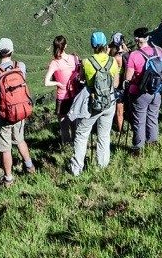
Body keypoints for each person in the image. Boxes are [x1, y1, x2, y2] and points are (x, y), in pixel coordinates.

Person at [70, 31, 120, 175]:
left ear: (92, 45)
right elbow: (115, 84)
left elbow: (81, 79)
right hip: (109, 102)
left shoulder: (87, 62)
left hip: (92, 102)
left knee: (81, 134)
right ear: (105, 44)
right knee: (104, 135)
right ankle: (102, 167)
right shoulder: (113, 61)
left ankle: (77, 169)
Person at [0, 38, 35, 184]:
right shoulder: (21, 66)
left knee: (5, 147)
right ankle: (29, 166)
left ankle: (8, 179)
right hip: (20, 110)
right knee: (20, 139)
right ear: (12, 51)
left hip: (3, 114)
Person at [123, 26, 162, 151]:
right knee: (153, 118)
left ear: (136, 40)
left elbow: (128, 77)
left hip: (139, 93)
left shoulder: (134, 55)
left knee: (139, 121)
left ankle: (138, 147)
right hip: (156, 91)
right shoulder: (158, 51)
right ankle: (152, 144)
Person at [43, 35, 80, 149]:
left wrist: (58, 83)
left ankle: (66, 147)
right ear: (66, 46)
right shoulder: (74, 58)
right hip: (75, 95)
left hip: (62, 97)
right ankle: (76, 146)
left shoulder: (55, 63)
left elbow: (46, 82)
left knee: (64, 126)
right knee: (74, 124)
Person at [109, 33, 129, 133]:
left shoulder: (113, 57)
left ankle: (120, 130)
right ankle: (123, 129)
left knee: (119, 111)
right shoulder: (126, 55)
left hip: (116, 85)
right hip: (125, 84)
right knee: (122, 108)